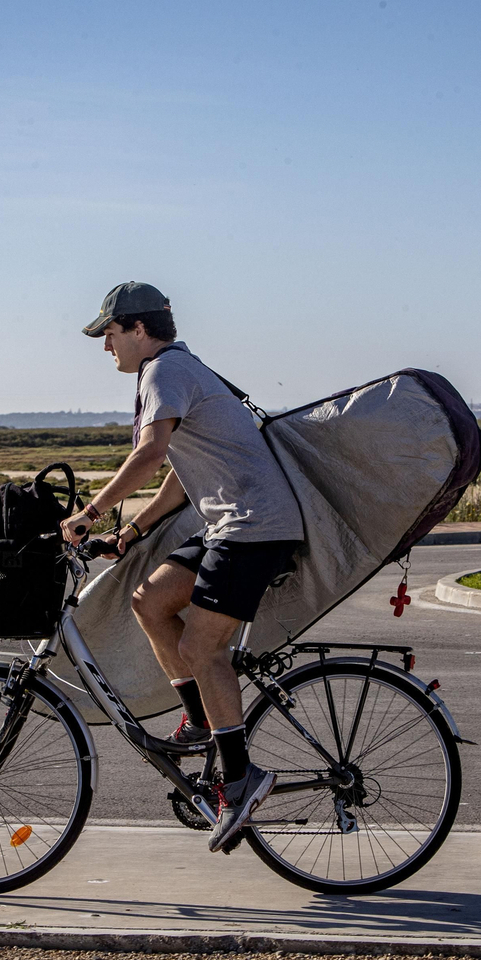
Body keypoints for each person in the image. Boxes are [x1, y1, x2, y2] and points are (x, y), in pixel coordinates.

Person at [58, 281, 304, 853]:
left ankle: (242, 780)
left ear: (139, 330)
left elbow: (149, 455)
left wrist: (88, 515)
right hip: (233, 525)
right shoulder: (180, 367)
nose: (106, 348)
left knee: (202, 650)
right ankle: (198, 721)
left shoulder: (163, 371)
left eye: (110, 334)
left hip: (252, 528)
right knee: (150, 598)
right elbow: (177, 476)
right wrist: (131, 533)